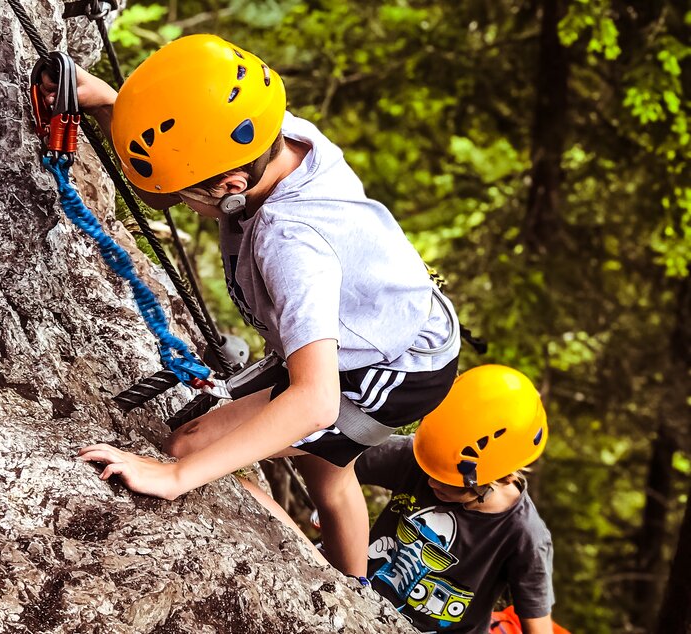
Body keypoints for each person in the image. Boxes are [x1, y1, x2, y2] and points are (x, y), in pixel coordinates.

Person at [61, 34, 461, 577]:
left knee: (189, 446)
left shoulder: (290, 242)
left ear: (231, 184)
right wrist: (113, 106)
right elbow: (183, 156)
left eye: (190, 197)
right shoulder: (269, 135)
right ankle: (357, 587)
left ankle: (335, 592)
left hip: (390, 371)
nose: (182, 204)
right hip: (390, 327)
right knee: (326, 471)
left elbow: (315, 401)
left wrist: (176, 478)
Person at [355, 364, 556, 633]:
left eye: (447, 480)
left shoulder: (523, 535)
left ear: (503, 477)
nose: (430, 481)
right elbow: (340, 459)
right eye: (430, 470)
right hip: (359, 600)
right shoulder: (423, 459)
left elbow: (538, 627)